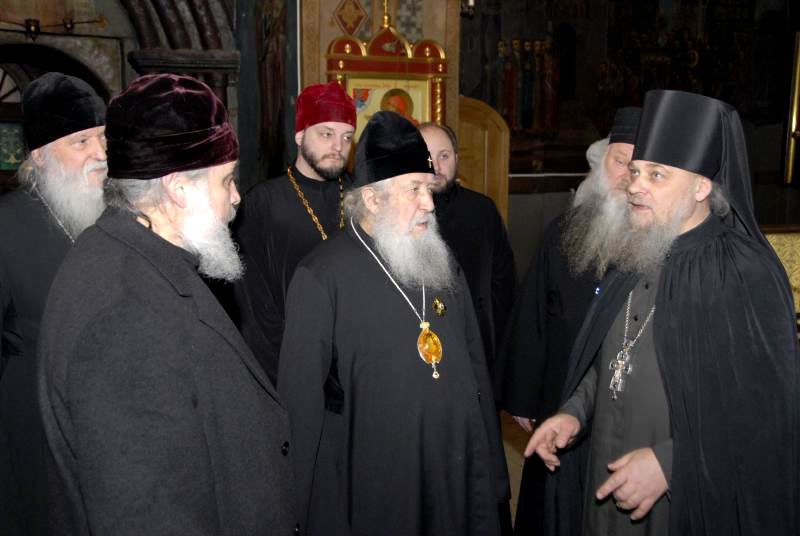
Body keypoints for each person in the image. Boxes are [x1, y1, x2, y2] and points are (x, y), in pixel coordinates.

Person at [526, 90, 798, 536]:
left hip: (689, 499)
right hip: (605, 476)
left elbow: (764, 408)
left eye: (657, 175)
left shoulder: (742, 272)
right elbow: (608, 361)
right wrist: (574, 412)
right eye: (635, 171)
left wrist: (671, 463)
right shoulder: (638, 249)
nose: (635, 185)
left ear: (701, 187)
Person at [37, 73, 295, 535]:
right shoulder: (123, 318)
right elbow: (150, 514)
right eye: (227, 180)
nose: (236, 198)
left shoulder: (134, 254)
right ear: (178, 188)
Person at [278, 111, 510, 536]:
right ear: (372, 199)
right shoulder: (321, 277)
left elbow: (476, 369)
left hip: (455, 470)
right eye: (414, 189)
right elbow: (301, 408)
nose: (429, 203)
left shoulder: (441, 262)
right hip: (378, 483)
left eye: (428, 188)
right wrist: (306, 512)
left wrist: (493, 473)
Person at [495, 107, 640, 535]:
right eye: (620, 162)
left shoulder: (662, 243)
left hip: (626, 403)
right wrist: (523, 397)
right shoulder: (564, 231)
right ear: (601, 163)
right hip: (560, 393)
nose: (628, 178)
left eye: (640, 168)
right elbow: (534, 314)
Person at [0, 72, 106, 534]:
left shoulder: (117, 216)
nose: (100, 154)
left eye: (103, 138)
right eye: (81, 142)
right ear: (40, 156)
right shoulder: (7, 226)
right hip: (36, 432)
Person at [233, 80, 356, 385]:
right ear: (300, 135)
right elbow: (254, 309)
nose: (338, 147)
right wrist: (289, 376)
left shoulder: (364, 197)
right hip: (292, 367)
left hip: (358, 368)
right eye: (326, 134)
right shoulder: (262, 204)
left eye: (347, 137)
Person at [419, 122, 516, 374]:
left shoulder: (482, 210)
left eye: (444, 156)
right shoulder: (403, 214)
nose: (436, 167)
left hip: (477, 346)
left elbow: (503, 285)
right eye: (427, 157)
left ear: (456, 158)